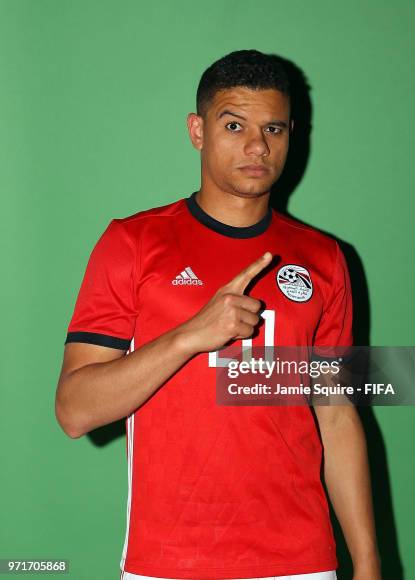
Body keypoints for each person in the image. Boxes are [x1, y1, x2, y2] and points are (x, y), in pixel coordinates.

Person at [55, 50, 381, 580]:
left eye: (273, 128)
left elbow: (338, 415)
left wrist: (367, 561)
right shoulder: (133, 243)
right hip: (168, 561)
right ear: (197, 130)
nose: (257, 145)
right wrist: (189, 336)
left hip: (300, 561)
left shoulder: (324, 258)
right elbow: (75, 412)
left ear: (292, 134)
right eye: (234, 125)